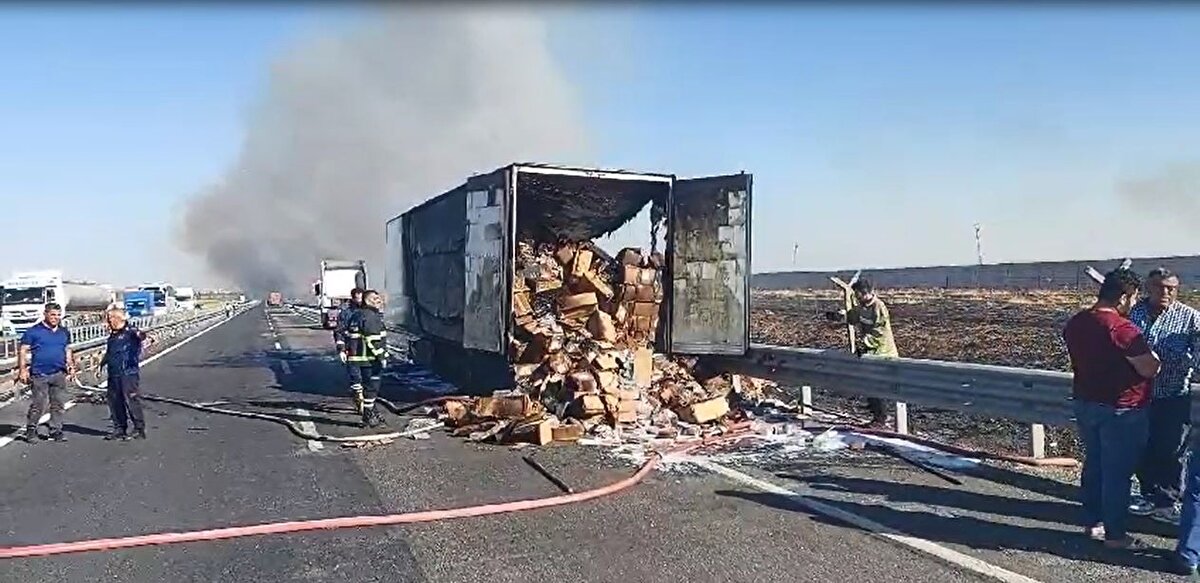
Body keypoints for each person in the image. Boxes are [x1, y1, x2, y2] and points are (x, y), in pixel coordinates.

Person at [1063, 268, 1160, 550]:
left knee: (1094, 465)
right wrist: (1155, 357)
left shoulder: (1077, 322)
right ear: (1124, 297)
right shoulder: (1122, 329)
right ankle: (1115, 535)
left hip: (1086, 402)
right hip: (1122, 409)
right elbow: (1149, 368)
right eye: (1134, 298)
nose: (1134, 303)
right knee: (1117, 474)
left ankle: (1093, 522)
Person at [1127, 268, 1200, 524]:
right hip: (1137, 395)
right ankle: (1147, 494)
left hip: (1173, 394)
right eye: (1160, 287)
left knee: (1172, 450)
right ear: (1149, 288)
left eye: (1171, 288)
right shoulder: (1133, 313)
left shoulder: (1190, 318)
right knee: (1142, 446)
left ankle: (1168, 501)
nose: (1166, 292)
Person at [825, 278, 899, 427]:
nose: (858, 298)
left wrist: (864, 343)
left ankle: (881, 418)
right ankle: (876, 411)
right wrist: (839, 316)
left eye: (860, 294)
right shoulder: (861, 307)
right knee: (868, 383)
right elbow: (853, 317)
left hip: (882, 352)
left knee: (875, 385)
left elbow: (880, 332)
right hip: (870, 352)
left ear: (867, 293)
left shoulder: (879, 307)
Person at [17, 303, 77, 443]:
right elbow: (23, 350)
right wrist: (22, 369)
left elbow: (67, 349)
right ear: (45, 314)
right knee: (39, 405)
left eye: (58, 315)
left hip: (59, 372)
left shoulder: (63, 332)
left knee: (58, 404)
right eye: (52, 315)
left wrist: (71, 366)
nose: (55, 318)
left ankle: (56, 430)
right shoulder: (34, 331)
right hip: (40, 374)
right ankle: (31, 430)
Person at [99, 307, 148, 440]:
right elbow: (110, 352)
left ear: (117, 318)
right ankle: (119, 428)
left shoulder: (130, 332)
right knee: (114, 401)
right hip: (114, 373)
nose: (108, 322)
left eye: (110, 319)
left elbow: (141, 336)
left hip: (128, 373)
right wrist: (102, 364)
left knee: (130, 400)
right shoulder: (113, 336)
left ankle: (139, 428)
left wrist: (141, 335)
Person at [344, 289, 388, 428]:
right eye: (376, 298)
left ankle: (372, 411)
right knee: (372, 388)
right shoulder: (371, 317)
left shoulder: (356, 315)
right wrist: (381, 356)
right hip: (369, 360)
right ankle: (368, 415)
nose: (379, 301)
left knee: (366, 387)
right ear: (368, 301)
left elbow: (348, 335)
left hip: (357, 359)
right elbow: (373, 339)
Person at [334, 288, 365, 410]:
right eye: (357, 298)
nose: (360, 301)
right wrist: (341, 349)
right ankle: (359, 400)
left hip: (368, 350)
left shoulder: (370, 312)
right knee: (356, 376)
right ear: (353, 298)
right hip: (353, 350)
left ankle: (367, 404)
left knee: (369, 379)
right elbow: (339, 331)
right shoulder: (346, 313)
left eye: (361, 298)